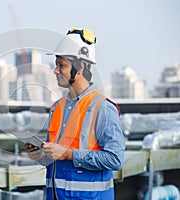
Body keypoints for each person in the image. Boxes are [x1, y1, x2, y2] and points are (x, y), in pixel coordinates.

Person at [25, 28, 125, 200]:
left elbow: (115, 159)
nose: (56, 70)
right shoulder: (57, 108)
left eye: (61, 65)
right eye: (56, 65)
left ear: (80, 68)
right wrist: (41, 155)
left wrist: (69, 154)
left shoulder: (103, 108)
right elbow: (57, 157)